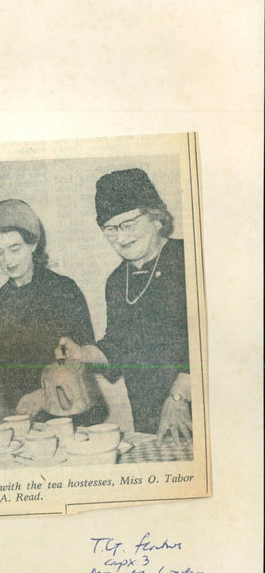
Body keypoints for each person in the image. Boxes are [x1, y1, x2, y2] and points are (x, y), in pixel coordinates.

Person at [57, 169, 191, 443]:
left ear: (155, 218)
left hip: (198, 406)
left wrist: (180, 395)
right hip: (149, 416)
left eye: (128, 224)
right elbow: (118, 345)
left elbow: (214, 338)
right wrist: (83, 353)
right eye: (110, 228)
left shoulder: (189, 259)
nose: (120, 237)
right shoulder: (117, 281)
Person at [0, 199, 106, 427]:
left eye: (14, 249)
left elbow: (82, 358)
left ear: (33, 244)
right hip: (26, 409)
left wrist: (44, 393)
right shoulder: (3, 298)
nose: (7, 260)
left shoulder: (63, 289)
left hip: (71, 407)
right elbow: (12, 357)